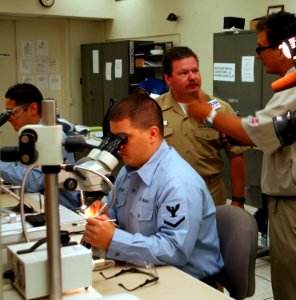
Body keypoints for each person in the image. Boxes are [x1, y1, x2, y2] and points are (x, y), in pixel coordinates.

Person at [188, 12, 296, 300]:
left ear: (282, 48)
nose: (257, 56)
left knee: (295, 290)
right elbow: (267, 132)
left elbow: (254, 131)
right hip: (292, 205)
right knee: (288, 285)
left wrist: (209, 114)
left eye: (260, 48)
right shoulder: (293, 87)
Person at [84, 92, 224, 283]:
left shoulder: (177, 183)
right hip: (144, 268)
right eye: (113, 139)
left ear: (152, 134)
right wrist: (103, 215)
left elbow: (175, 251)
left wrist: (113, 239)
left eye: (123, 139)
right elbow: (113, 209)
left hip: (187, 281)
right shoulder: (129, 170)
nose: (118, 148)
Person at [156, 46, 248, 208]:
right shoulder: (153, 110)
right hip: (166, 192)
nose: (192, 77)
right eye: (183, 73)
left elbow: (236, 156)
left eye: (195, 71)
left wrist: (238, 200)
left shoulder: (220, 110)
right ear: (167, 78)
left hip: (210, 193)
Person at [0, 83, 80, 210]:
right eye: (6, 113)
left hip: (62, 209)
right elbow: (22, 167)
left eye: (13, 112)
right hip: (39, 202)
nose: (9, 119)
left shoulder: (52, 136)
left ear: (32, 108)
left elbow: (34, 181)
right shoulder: (30, 132)